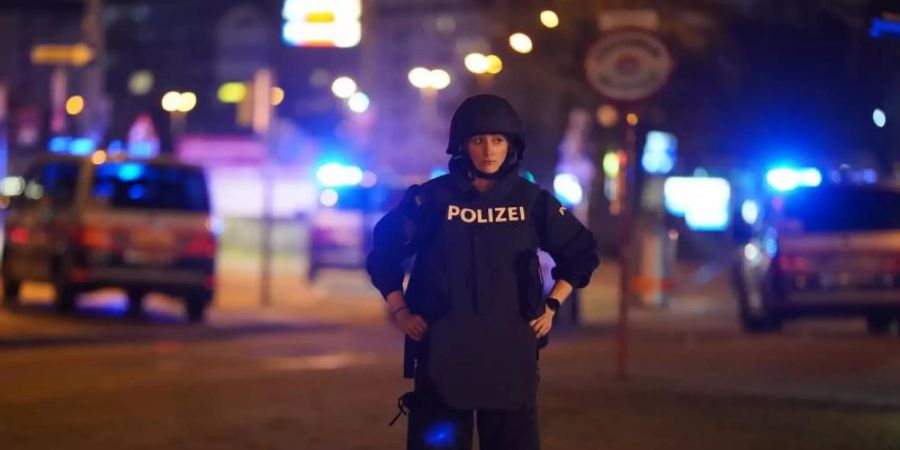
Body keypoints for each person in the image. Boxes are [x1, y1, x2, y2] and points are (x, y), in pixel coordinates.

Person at [366, 94, 599, 450]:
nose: (488, 150)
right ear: (462, 146)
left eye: (498, 140)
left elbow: (581, 253)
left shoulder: (532, 201)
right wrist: (400, 311)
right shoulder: (431, 200)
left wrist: (552, 306)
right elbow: (383, 253)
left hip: (510, 355)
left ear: (511, 146)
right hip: (442, 353)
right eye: (478, 140)